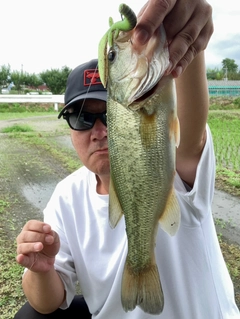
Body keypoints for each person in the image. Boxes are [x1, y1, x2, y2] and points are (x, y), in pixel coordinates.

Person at [14, 1, 240, 319]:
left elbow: (190, 135)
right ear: (69, 129)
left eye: (106, 113)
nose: (98, 131)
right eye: (81, 119)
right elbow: (46, 303)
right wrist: (41, 269)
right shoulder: (67, 197)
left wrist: (187, 41)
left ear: (121, 112)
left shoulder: (170, 160)